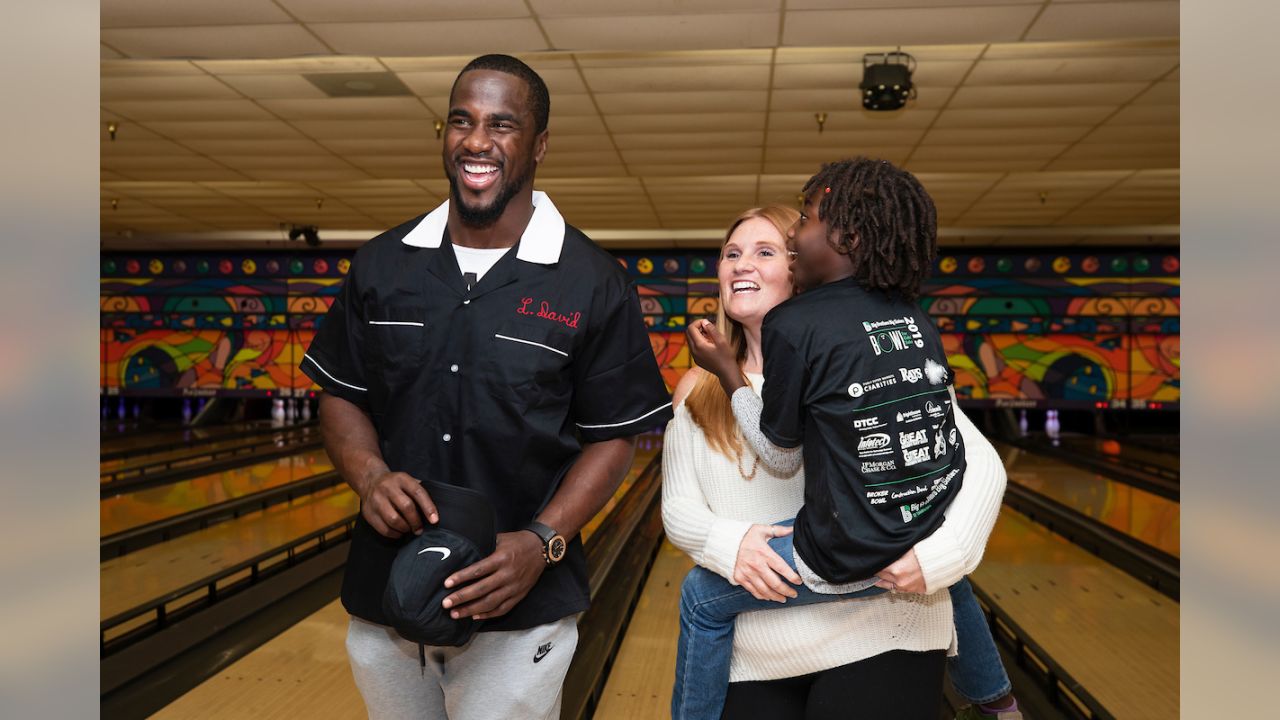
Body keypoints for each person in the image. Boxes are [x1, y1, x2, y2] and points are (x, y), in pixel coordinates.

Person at [302, 54, 672, 720]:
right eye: (461, 121)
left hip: (521, 611)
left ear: (539, 144)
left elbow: (613, 436)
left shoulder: (591, 281)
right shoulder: (383, 264)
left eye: (503, 124)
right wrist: (369, 477)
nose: (477, 141)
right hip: (387, 592)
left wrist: (541, 542)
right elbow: (341, 392)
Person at [670, 160, 1019, 720]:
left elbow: (981, 464)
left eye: (767, 250)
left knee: (699, 596)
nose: (742, 264)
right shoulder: (697, 388)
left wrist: (943, 555)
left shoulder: (834, 340)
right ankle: (997, 699)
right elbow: (678, 507)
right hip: (763, 648)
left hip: (878, 624)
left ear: (800, 268)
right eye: (732, 253)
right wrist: (727, 544)